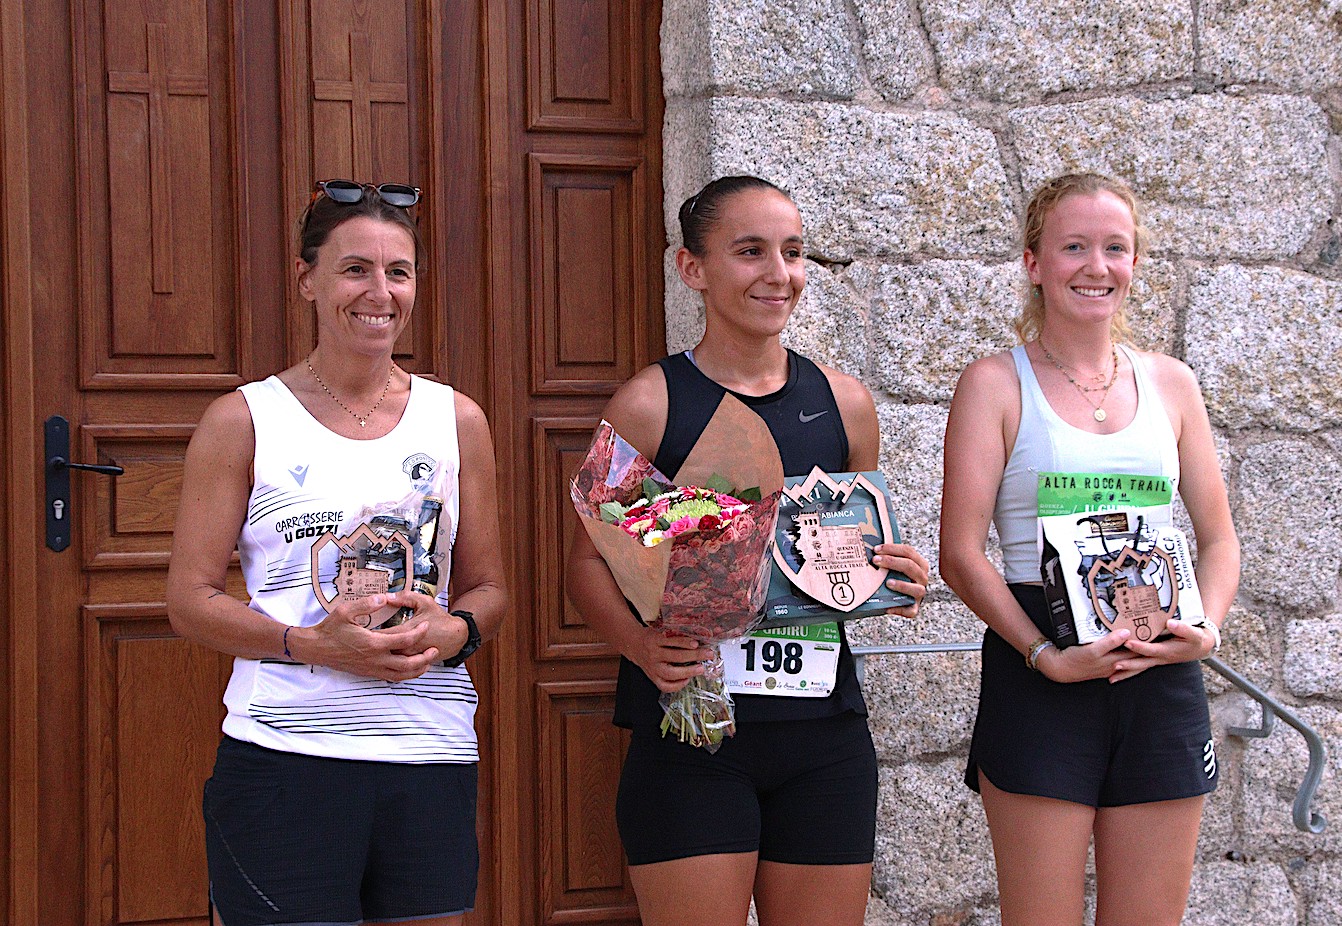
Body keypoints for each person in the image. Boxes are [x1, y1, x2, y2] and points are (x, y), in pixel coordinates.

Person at [566, 175, 931, 926]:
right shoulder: (650, 402)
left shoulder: (844, 402)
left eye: (793, 252)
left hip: (823, 741)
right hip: (692, 735)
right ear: (691, 269)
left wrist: (891, 577)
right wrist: (637, 644)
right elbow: (587, 562)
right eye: (750, 251)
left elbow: (849, 550)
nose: (779, 273)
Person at [166, 179, 507, 926]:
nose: (378, 291)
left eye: (399, 271)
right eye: (355, 268)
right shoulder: (244, 420)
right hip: (286, 763)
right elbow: (189, 601)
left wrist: (458, 631)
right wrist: (309, 645)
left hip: (429, 757)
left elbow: (487, 589)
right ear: (306, 280)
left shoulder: (458, 419)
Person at [939, 173, 1240, 926]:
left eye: (1115, 248)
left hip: (1159, 665)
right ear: (1035, 262)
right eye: (1073, 246)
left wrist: (1205, 632)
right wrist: (1045, 654)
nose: (1095, 266)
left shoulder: (1173, 384)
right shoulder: (993, 384)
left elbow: (1219, 538)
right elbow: (960, 552)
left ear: (1135, 262)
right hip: (1040, 665)